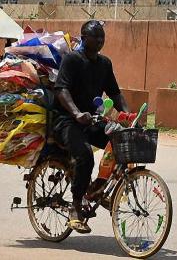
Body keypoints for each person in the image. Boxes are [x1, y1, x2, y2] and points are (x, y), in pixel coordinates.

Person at [53, 19, 128, 234]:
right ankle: (75, 208)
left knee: (120, 141)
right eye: (96, 37)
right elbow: (61, 90)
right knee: (85, 156)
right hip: (67, 121)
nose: (100, 40)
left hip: (92, 120)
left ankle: (96, 189)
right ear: (84, 38)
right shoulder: (72, 60)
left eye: (102, 37)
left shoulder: (104, 64)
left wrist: (127, 114)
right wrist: (76, 113)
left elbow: (114, 92)